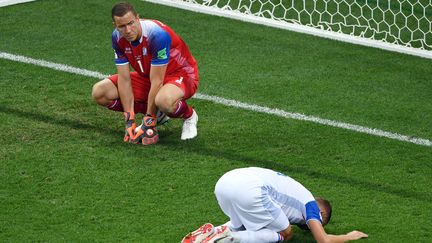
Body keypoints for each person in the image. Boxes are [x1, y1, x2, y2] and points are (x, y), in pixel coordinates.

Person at [92, 2, 199, 145]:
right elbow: (124, 79)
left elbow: (157, 81)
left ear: (137, 18)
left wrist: (149, 119)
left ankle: (189, 116)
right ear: (115, 25)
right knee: (100, 92)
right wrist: (129, 119)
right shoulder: (117, 37)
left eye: (131, 23)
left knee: (163, 100)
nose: (128, 30)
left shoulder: (157, 34)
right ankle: (160, 114)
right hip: (148, 76)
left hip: (181, 75)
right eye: (122, 26)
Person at [182, 167, 368, 243]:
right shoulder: (311, 204)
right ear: (321, 212)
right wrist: (349, 236)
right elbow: (323, 240)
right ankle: (229, 238)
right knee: (286, 234)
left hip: (224, 182)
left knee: (241, 224)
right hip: (253, 189)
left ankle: (210, 233)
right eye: (321, 220)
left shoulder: (295, 189)